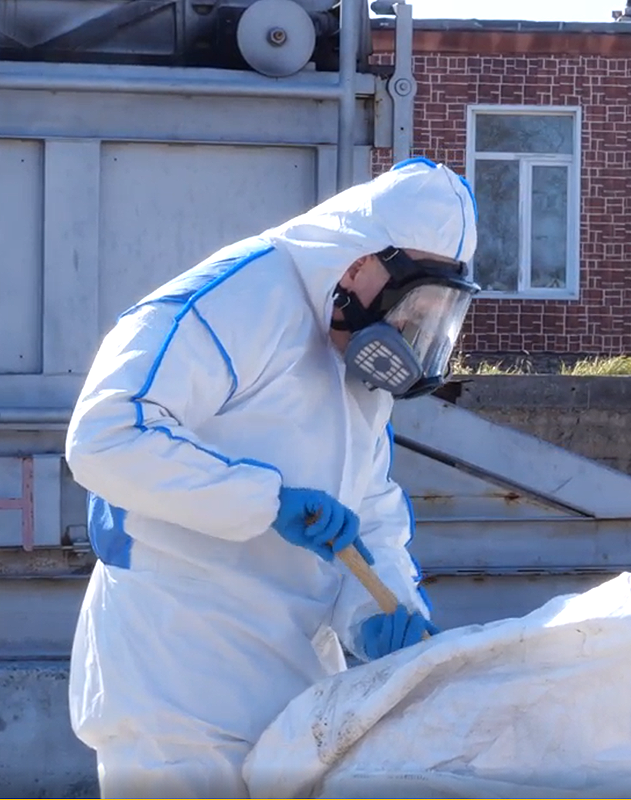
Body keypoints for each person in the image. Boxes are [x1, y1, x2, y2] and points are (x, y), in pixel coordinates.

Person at [63, 157, 480, 798]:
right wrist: (266, 500)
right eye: (410, 305)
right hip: (172, 685)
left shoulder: (358, 378)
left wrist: (381, 611)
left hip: (290, 691)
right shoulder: (242, 295)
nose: (406, 332)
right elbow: (105, 437)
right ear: (359, 263)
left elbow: (369, 518)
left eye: (432, 316)